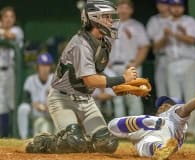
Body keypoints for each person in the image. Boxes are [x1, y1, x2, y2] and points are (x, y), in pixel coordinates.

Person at [26, 0, 137, 154]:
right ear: (94, 19)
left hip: (85, 99)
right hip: (62, 99)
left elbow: (96, 73)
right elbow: (90, 80)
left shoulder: (104, 42)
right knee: (73, 143)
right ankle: (43, 142)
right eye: (106, 16)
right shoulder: (81, 44)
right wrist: (122, 79)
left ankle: (78, 143)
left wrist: (118, 86)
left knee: (107, 143)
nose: (111, 20)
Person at [108, 83, 195, 160]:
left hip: (166, 131)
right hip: (145, 131)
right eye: (161, 104)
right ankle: (151, 132)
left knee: (147, 147)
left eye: (168, 104)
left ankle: (160, 147)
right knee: (112, 126)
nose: (163, 106)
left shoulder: (175, 117)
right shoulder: (161, 115)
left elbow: (186, 108)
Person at [165, 0, 195, 139]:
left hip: (188, 61)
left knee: (191, 96)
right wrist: (166, 34)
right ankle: (177, 131)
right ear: (170, 7)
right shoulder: (164, 22)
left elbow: (192, 40)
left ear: (183, 8)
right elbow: (156, 44)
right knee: (174, 98)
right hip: (171, 62)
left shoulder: (189, 21)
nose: (176, 9)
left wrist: (174, 34)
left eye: (179, 6)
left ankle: (192, 130)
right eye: (174, 6)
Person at [109, 0, 150, 117]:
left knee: (133, 97)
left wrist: (136, 63)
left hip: (130, 66)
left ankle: (135, 128)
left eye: (126, 8)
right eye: (120, 7)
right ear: (116, 9)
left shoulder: (137, 26)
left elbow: (144, 47)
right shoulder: (109, 25)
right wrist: (105, 62)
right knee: (117, 98)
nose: (123, 10)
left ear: (131, 10)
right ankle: (119, 128)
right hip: (113, 66)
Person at [17, 53, 54, 139]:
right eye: (42, 65)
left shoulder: (54, 79)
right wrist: (34, 104)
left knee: (44, 132)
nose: (45, 68)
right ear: (37, 67)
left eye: (47, 65)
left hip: (50, 114)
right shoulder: (30, 80)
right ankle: (23, 137)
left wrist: (49, 104)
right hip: (35, 113)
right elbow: (25, 99)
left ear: (51, 67)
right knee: (23, 108)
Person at [0, 6, 24, 137]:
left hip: (11, 72)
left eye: (11, 17)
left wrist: (2, 31)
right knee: (1, 104)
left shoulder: (18, 30)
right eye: (6, 16)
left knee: (12, 103)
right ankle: (3, 135)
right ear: (1, 18)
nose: (9, 19)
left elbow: (11, 35)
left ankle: (13, 134)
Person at [146, 0, 171, 97]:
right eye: (161, 3)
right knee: (162, 89)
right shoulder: (153, 20)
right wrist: (165, 37)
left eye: (166, 3)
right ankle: (163, 111)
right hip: (161, 57)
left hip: (177, 58)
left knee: (175, 90)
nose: (163, 6)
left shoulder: (178, 19)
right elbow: (155, 46)